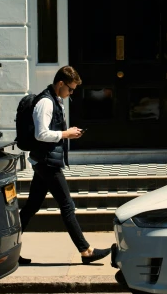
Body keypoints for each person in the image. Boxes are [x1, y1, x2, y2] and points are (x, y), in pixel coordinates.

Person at [18, 66, 111, 266]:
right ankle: (86, 251)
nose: (72, 93)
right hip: (47, 163)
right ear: (60, 84)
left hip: (46, 161)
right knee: (67, 206)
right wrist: (65, 133)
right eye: (70, 89)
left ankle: (7, 250)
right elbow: (40, 134)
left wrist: (67, 132)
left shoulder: (55, 99)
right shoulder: (45, 102)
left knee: (30, 208)